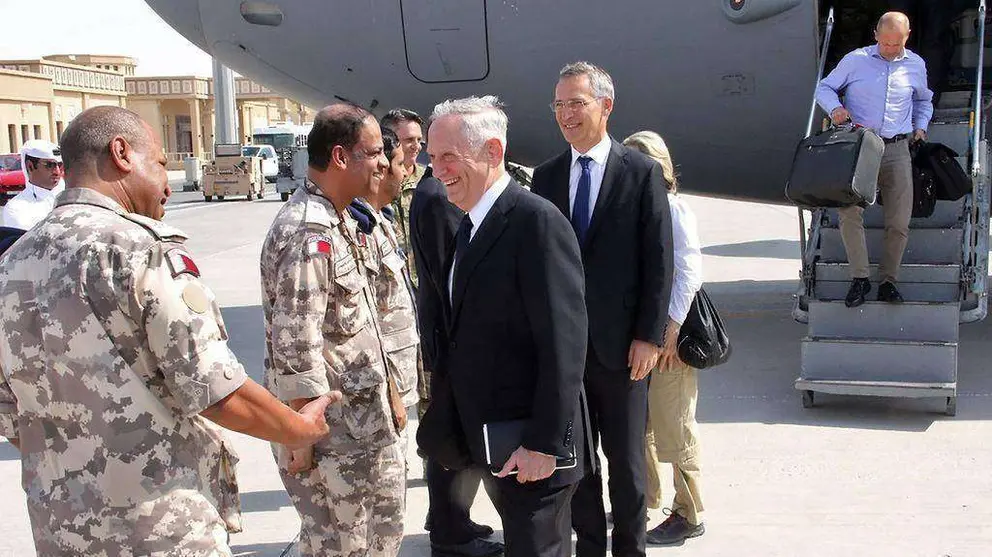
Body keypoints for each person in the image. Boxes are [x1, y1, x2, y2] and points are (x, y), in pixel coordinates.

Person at [0, 106, 336, 557]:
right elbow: (215, 388)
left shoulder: (11, 264)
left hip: (63, 531)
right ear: (121, 154)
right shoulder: (140, 251)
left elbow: (10, 411)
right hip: (161, 530)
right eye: (159, 163)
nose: (166, 181)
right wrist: (297, 430)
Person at [425, 95, 588, 557]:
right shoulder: (472, 224)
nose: (438, 170)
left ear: (493, 152)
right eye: (433, 158)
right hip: (495, 445)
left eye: (449, 157)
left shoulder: (535, 223)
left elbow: (564, 344)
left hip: (531, 449)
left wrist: (544, 444)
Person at [531, 61, 674, 557]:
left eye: (577, 103)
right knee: (578, 464)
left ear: (605, 106)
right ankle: (590, 547)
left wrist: (650, 336)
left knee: (627, 463)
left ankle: (629, 549)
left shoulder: (641, 173)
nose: (567, 114)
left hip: (624, 350)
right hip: (567, 352)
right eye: (559, 105)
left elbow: (659, 260)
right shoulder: (546, 178)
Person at [261, 103, 405, 557]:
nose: (385, 162)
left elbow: (363, 325)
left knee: (379, 543)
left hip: (366, 428)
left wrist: (394, 396)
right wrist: (301, 439)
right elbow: (296, 347)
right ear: (341, 157)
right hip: (333, 444)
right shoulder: (308, 233)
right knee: (341, 550)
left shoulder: (344, 219)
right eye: (375, 152)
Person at [403, 119, 502, 557]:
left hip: (444, 338)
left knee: (452, 436)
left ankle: (451, 521)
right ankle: (449, 532)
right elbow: (451, 280)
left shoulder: (428, 193)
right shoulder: (440, 199)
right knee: (451, 439)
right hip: (448, 340)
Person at [816, 11, 934, 308]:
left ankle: (888, 281)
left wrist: (921, 126)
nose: (890, 49)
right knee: (849, 212)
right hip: (860, 146)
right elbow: (824, 87)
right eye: (885, 43)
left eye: (897, 44)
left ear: (907, 36)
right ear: (876, 35)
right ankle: (860, 278)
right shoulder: (856, 60)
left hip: (897, 149)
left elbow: (923, 99)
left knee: (899, 220)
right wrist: (835, 109)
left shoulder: (915, 65)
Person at [623, 131, 706, 546]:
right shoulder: (638, 209)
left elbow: (689, 270)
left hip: (669, 336)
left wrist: (671, 329)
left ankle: (688, 512)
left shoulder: (673, 208)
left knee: (675, 426)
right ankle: (647, 500)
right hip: (644, 335)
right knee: (644, 427)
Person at [346, 127, 419, 437]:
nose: (404, 174)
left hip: (393, 389)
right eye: (400, 165)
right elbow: (365, 323)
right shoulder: (358, 230)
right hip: (377, 394)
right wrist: (390, 391)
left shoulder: (380, 222)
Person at [2, 139, 65, 230]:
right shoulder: (17, 208)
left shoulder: (73, 195)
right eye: (49, 165)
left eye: (60, 165)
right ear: (30, 166)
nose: (57, 172)